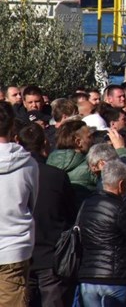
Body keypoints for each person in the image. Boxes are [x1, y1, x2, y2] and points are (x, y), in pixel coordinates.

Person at [16, 124, 76, 307]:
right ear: (45, 143)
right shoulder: (56, 176)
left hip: (19, 253)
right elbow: (71, 211)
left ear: (18, 142)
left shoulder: (12, 176)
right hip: (50, 254)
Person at [77, 159, 126, 306]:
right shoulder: (121, 208)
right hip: (117, 276)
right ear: (121, 184)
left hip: (88, 274)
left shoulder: (86, 204)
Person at [0, 101, 38, 306]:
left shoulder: (28, 162)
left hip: (14, 248)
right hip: (15, 246)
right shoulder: (29, 163)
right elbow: (33, 202)